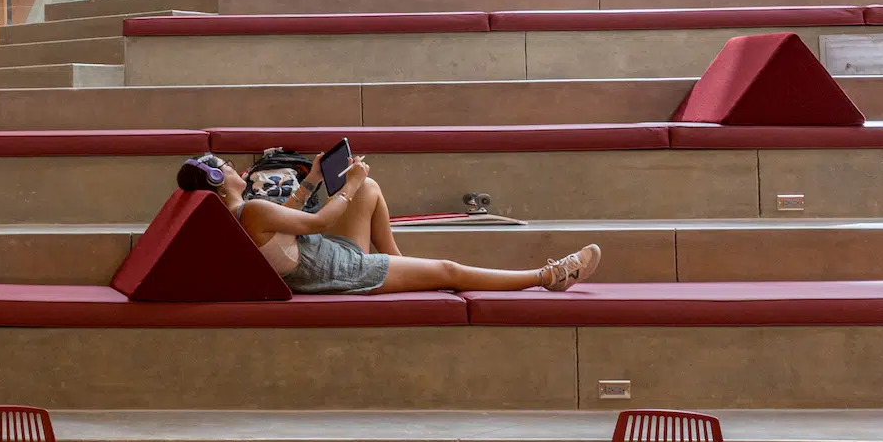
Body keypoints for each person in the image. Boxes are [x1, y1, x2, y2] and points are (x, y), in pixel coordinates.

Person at [177, 150, 601, 295]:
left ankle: (403, 268)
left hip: (330, 256)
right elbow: (322, 219)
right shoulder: (251, 210)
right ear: (217, 178)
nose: (232, 165)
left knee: (369, 188)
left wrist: (312, 177)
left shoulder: (246, 210)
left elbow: (297, 217)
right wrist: (347, 183)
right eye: (223, 165)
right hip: (339, 272)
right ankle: (550, 276)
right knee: (449, 271)